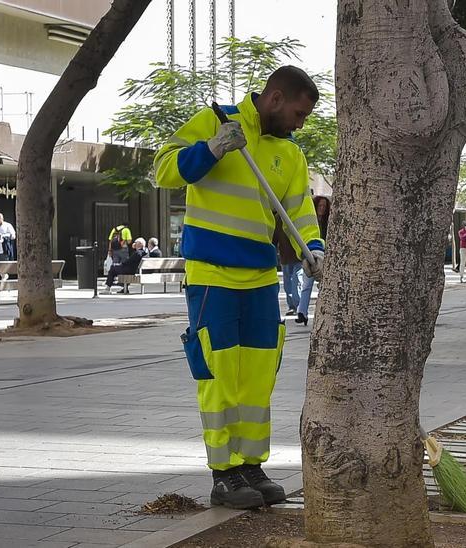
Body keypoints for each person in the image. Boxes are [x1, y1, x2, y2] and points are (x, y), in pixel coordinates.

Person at [154, 65, 324, 509]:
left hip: (261, 279)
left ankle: (250, 465)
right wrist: (210, 150)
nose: (300, 123)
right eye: (298, 113)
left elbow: (299, 209)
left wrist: (314, 248)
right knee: (219, 373)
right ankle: (224, 474)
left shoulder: (291, 155)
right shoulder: (217, 121)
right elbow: (164, 169)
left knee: (257, 376)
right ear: (274, 99)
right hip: (213, 275)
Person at [294, 195, 330, 325]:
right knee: (306, 284)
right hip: (311, 254)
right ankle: (301, 312)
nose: (322, 208)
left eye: (324, 207)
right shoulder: (310, 221)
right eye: (320, 206)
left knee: (324, 286)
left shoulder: (329, 223)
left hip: (326, 256)